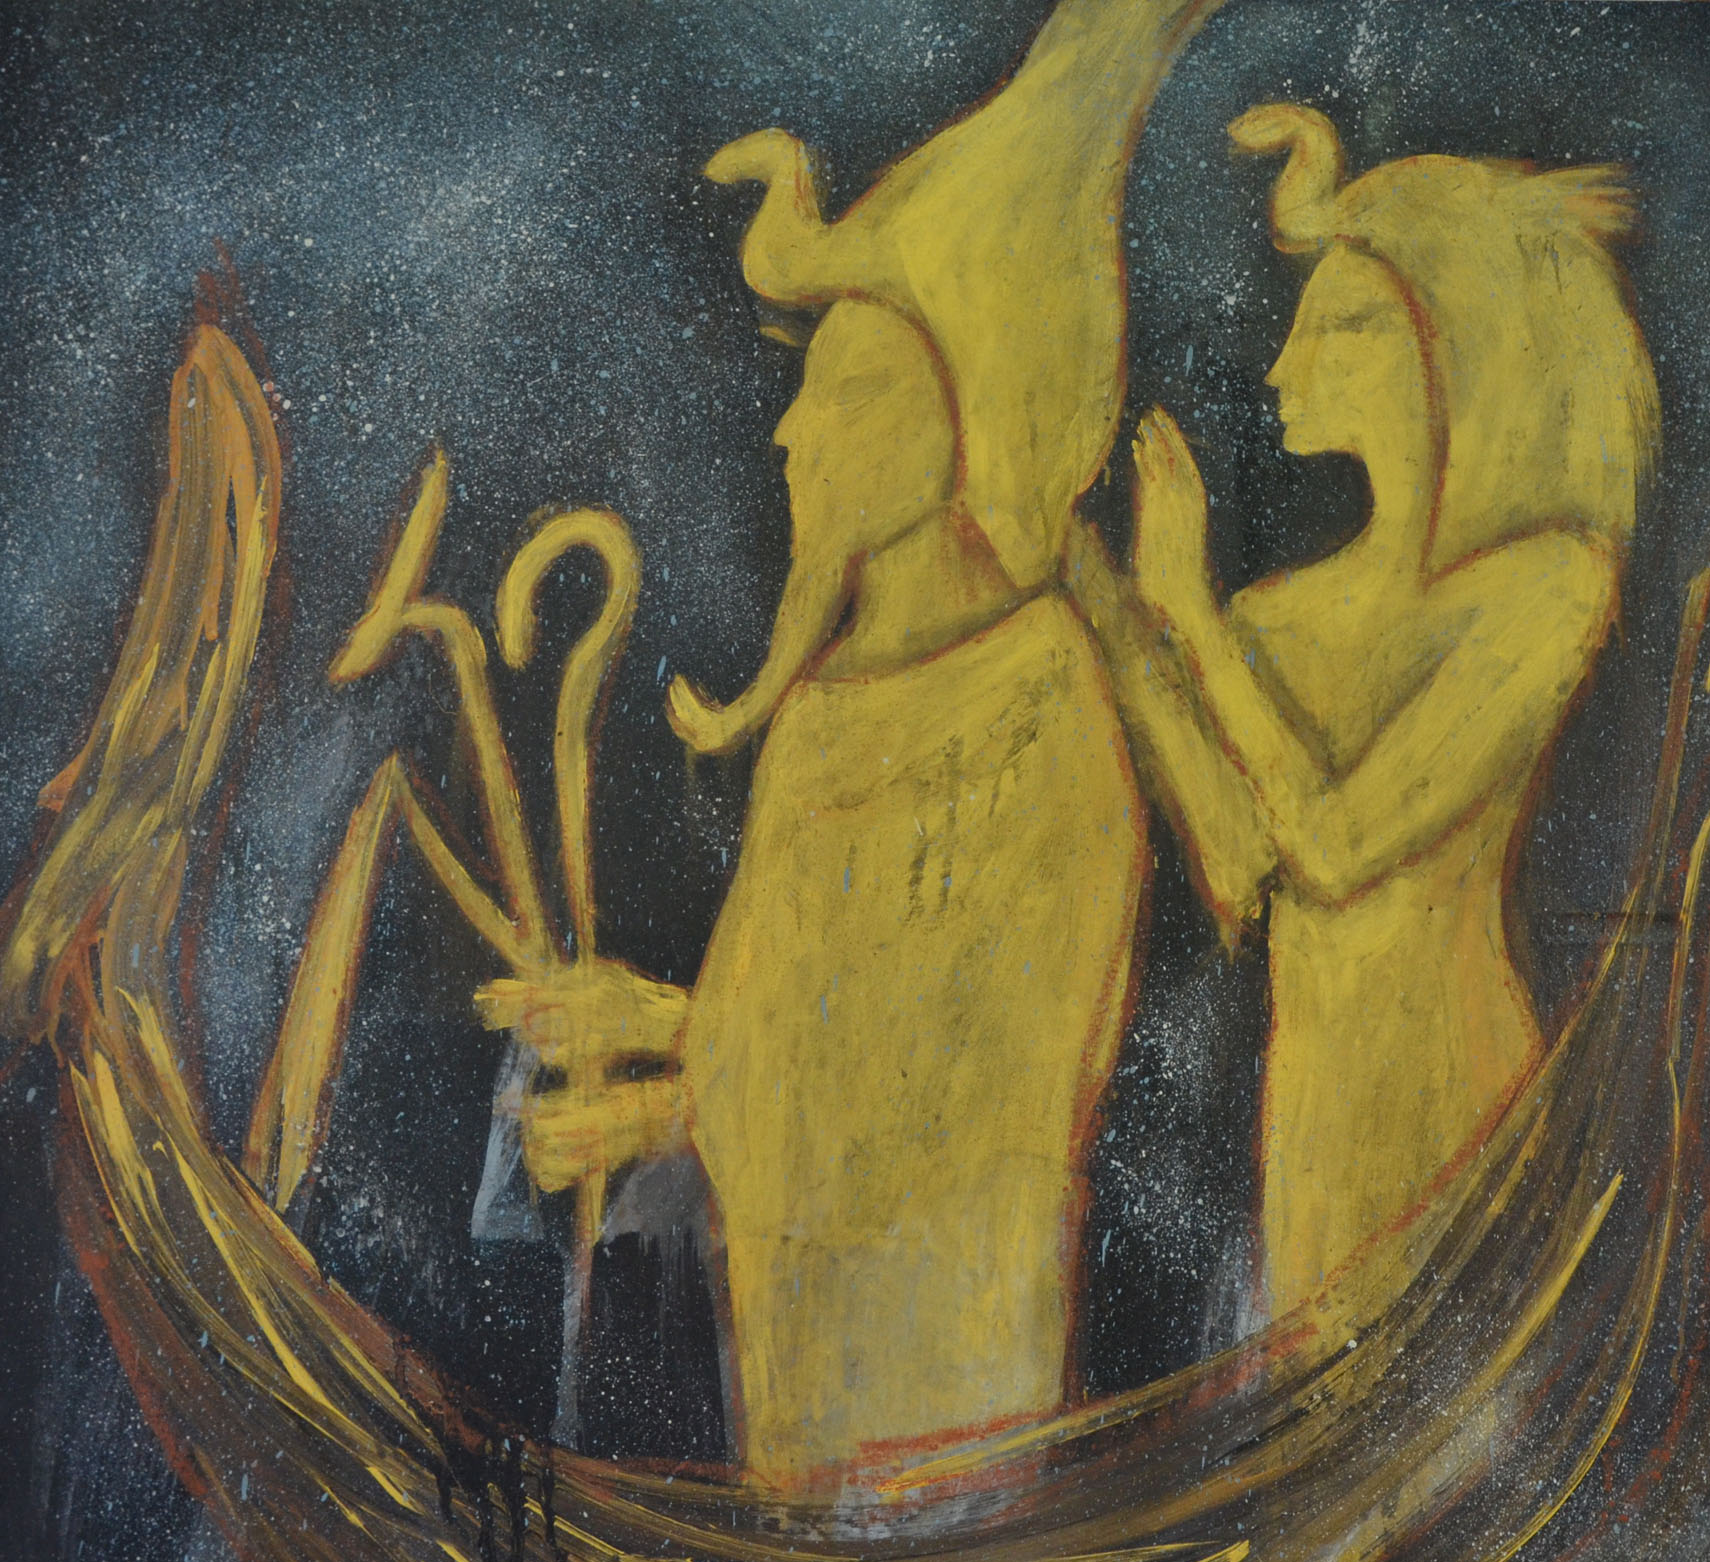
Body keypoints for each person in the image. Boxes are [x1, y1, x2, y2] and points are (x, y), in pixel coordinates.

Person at [484, 0, 1225, 1486]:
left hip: (946, 1380)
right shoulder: (824, 711)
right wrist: (653, 1017)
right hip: (798, 1365)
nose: (794, 431)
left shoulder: (1036, 699)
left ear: (971, 421)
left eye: (849, 389)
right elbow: (805, 1013)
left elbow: (968, 1091)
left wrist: (660, 1108)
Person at [1079, 103, 1659, 1328]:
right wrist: (1121, 614)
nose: (1286, 364)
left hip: (1455, 1100)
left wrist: (1192, 617)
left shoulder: (1547, 583)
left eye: (1342, 325)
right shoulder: (1275, 616)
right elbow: (1239, 870)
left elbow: (1337, 848)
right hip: (1308, 1121)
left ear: (1451, 337)